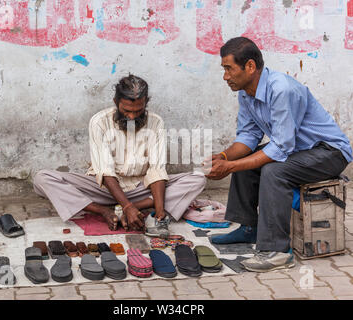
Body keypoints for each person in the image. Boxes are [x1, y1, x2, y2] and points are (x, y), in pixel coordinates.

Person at [203, 37, 352, 272]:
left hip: (330, 152)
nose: (225, 77)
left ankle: (278, 251)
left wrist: (230, 167)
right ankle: (249, 228)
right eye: (224, 70)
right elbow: (247, 138)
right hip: (300, 150)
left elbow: (280, 148)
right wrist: (224, 157)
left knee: (274, 171)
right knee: (245, 160)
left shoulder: (281, 89)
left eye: (229, 69)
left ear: (250, 67)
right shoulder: (245, 93)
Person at [34, 74, 206, 235]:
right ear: (116, 102)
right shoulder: (99, 121)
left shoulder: (156, 122)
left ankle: (131, 207)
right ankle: (103, 210)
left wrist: (159, 214)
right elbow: (106, 171)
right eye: (126, 110)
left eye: (138, 111)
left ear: (146, 103)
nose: (131, 116)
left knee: (198, 179)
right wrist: (127, 206)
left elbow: (157, 169)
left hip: (141, 187)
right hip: (103, 188)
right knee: (42, 179)